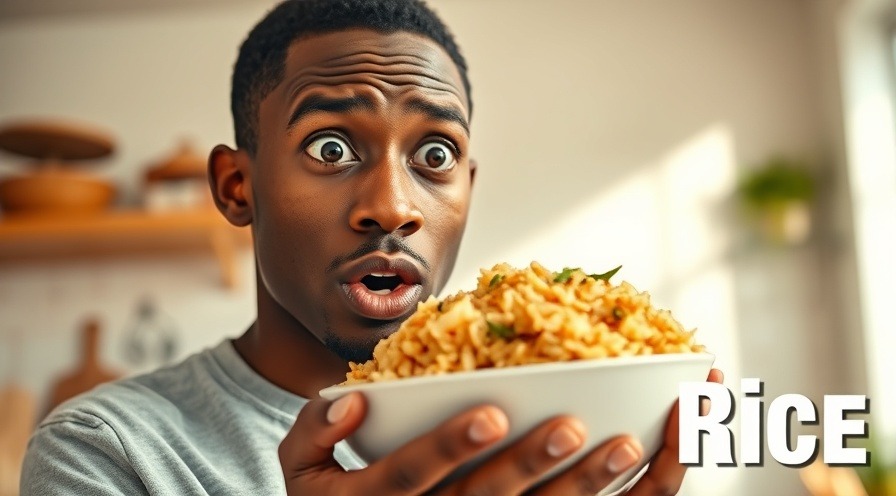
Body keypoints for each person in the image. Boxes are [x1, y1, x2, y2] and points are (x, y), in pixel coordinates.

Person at [21, 0, 723, 494]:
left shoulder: (563, 429)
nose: (392, 206)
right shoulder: (108, 451)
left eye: (435, 154)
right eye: (331, 147)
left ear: (468, 192)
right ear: (238, 187)